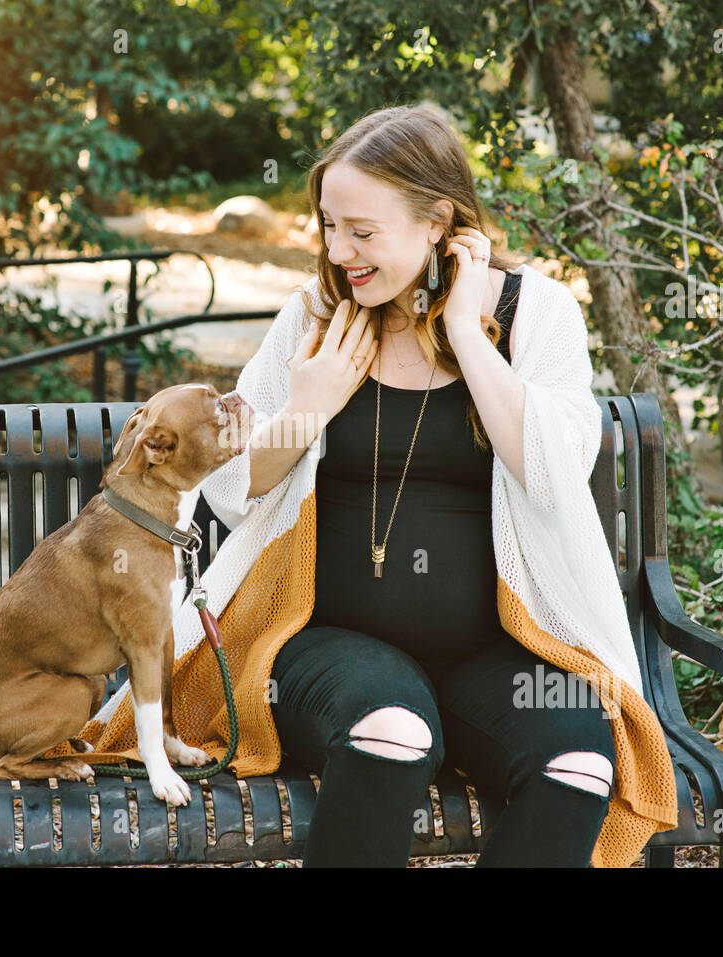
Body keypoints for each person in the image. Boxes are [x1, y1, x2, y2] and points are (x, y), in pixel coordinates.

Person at [246, 104, 621, 867]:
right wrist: (305, 408)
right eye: (328, 225)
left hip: (497, 651)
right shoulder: (315, 317)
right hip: (326, 645)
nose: (338, 250)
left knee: (579, 762)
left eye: (361, 230)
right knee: (392, 727)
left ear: (436, 221)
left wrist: (463, 335)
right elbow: (232, 485)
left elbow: (553, 474)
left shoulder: (534, 314)